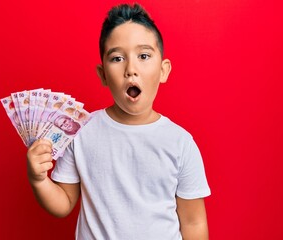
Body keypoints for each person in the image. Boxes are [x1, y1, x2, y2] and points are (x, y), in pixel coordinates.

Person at [27, 3, 211, 239]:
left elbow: (194, 222)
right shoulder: (81, 131)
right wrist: (38, 179)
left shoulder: (181, 143)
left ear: (163, 70)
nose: (131, 69)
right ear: (103, 74)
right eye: (117, 58)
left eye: (144, 56)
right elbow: (63, 203)